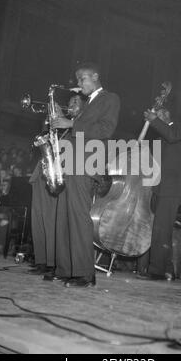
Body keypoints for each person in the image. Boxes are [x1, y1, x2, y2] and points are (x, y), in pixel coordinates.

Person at [50, 62, 120, 287]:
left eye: (83, 79)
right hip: (72, 162)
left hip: (88, 164)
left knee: (79, 216)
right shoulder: (87, 103)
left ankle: (84, 274)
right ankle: (66, 268)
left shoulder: (110, 98)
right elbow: (80, 132)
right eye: (78, 80)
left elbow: (105, 130)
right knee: (65, 217)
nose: (79, 84)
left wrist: (71, 123)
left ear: (96, 76)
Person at [29, 93, 86, 278]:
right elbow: (44, 138)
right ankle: (41, 260)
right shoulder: (60, 125)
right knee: (39, 220)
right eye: (69, 102)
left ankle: (53, 262)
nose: (71, 105)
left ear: (84, 107)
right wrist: (50, 119)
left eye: (76, 102)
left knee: (52, 220)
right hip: (44, 173)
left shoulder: (80, 126)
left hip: (62, 175)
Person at [137, 106, 181, 281]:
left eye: (158, 116)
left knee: (160, 229)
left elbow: (171, 135)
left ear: (166, 114)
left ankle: (156, 271)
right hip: (160, 188)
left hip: (171, 189)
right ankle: (167, 269)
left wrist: (153, 120)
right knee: (162, 230)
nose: (154, 120)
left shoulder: (178, 128)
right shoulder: (161, 138)